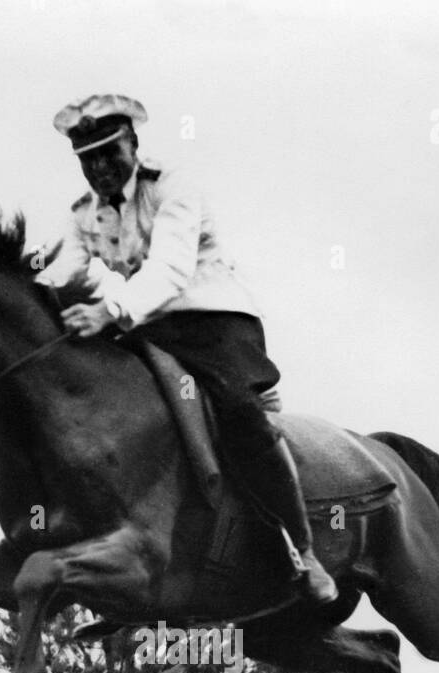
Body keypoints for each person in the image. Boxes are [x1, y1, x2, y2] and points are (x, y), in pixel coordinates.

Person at [37, 93, 336, 608]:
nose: (101, 167)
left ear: (134, 145)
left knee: (240, 415)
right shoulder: (84, 214)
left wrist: (109, 311)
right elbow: (61, 268)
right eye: (89, 159)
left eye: (111, 152)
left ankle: (302, 549)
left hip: (214, 319)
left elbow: (171, 268)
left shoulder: (174, 187)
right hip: (150, 326)